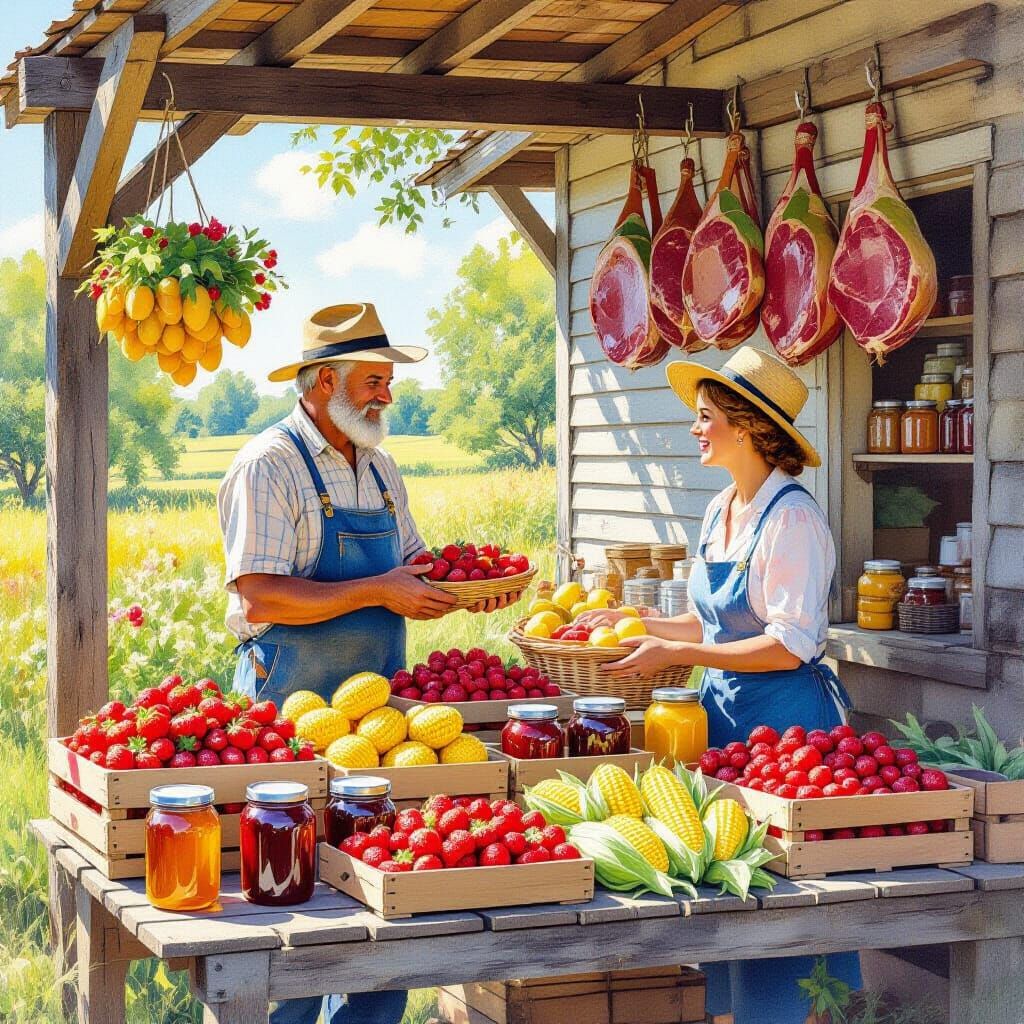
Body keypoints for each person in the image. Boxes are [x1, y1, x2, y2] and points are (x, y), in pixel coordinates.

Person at [218, 302, 516, 1024]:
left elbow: (411, 564)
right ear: (322, 381)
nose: (388, 394)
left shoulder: (379, 467)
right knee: (297, 915)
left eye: (388, 380)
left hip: (382, 727)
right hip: (287, 718)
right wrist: (380, 589)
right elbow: (259, 596)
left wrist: (453, 587)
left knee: (385, 899)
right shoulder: (270, 465)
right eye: (374, 380)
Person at [581, 347, 861, 1023]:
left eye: (705, 417)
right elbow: (708, 620)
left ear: (747, 427)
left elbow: (790, 643)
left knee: (786, 909)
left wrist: (675, 652)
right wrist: (640, 620)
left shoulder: (793, 519)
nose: (695, 429)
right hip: (728, 725)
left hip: (791, 733)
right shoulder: (721, 510)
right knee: (732, 897)